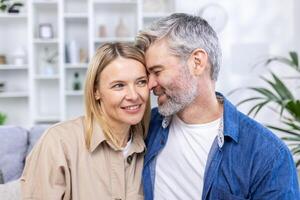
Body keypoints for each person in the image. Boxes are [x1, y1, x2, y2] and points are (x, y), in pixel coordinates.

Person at [135, 13, 300, 200]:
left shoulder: (268, 155)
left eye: (157, 71)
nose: (149, 85)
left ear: (197, 62)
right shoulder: (146, 126)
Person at [21, 42, 150, 200]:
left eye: (141, 82)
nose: (134, 95)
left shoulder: (151, 142)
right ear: (96, 91)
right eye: (119, 85)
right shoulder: (58, 142)